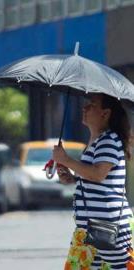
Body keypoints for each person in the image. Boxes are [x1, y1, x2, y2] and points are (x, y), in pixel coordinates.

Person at [53, 93, 134, 270]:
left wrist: (66, 160)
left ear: (105, 114)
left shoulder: (108, 141)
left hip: (108, 227)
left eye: (92, 104)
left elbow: (98, 174)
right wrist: (72, 177)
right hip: (91, 227)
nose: (85, 108)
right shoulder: (97, 141)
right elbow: (96, 180)